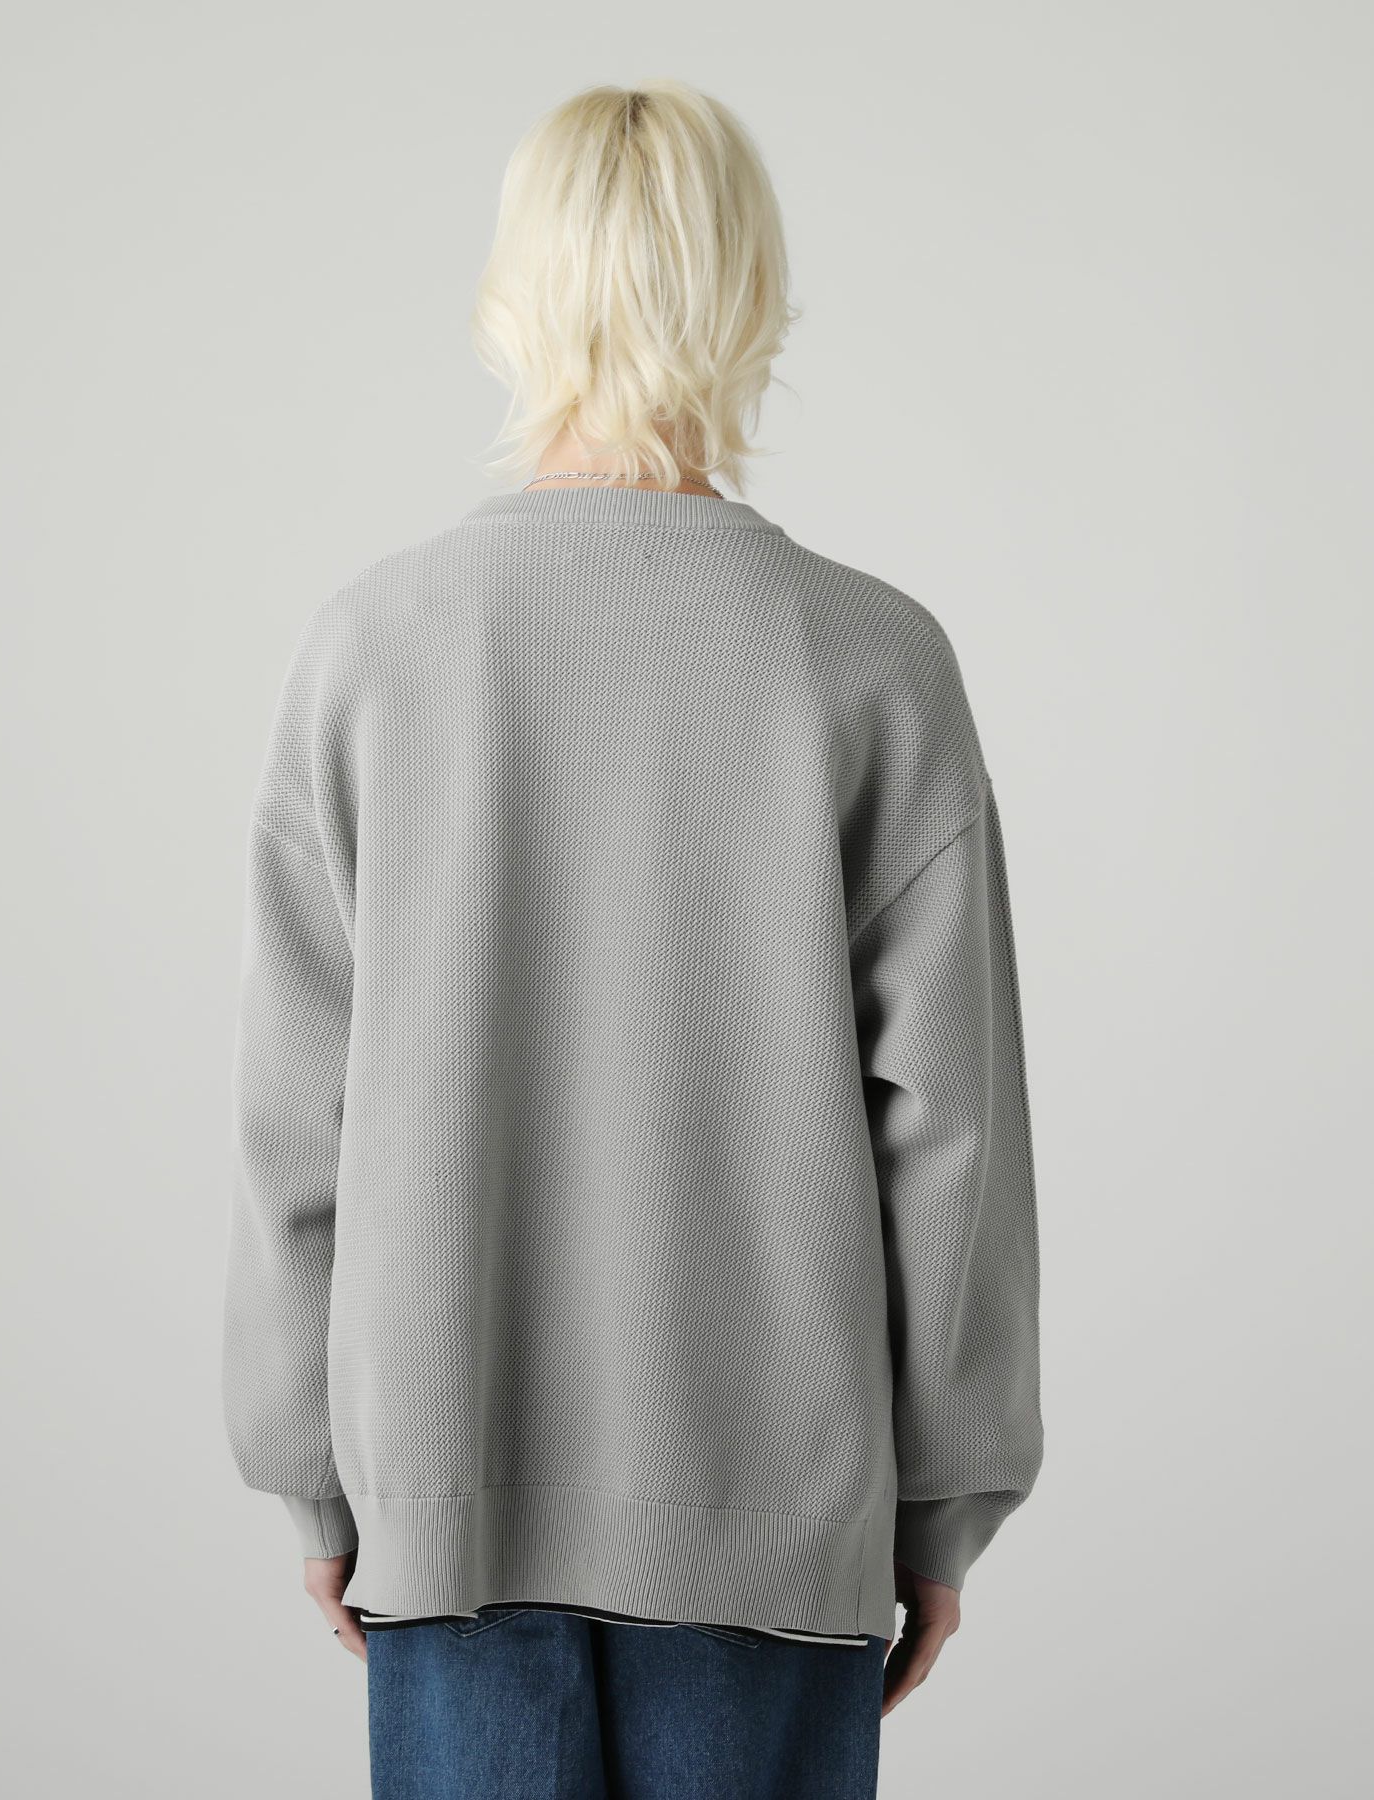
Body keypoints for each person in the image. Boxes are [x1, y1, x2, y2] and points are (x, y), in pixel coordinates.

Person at [221, 78, 1044, 1799]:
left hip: (451, 1508)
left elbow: (298, 1122)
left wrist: (312, 1472)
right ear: (751, 295)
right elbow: (952, 1138)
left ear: (512, 296)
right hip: (773, 1527)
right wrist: (942, 1504)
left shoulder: (371, 650)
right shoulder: (873, 659)